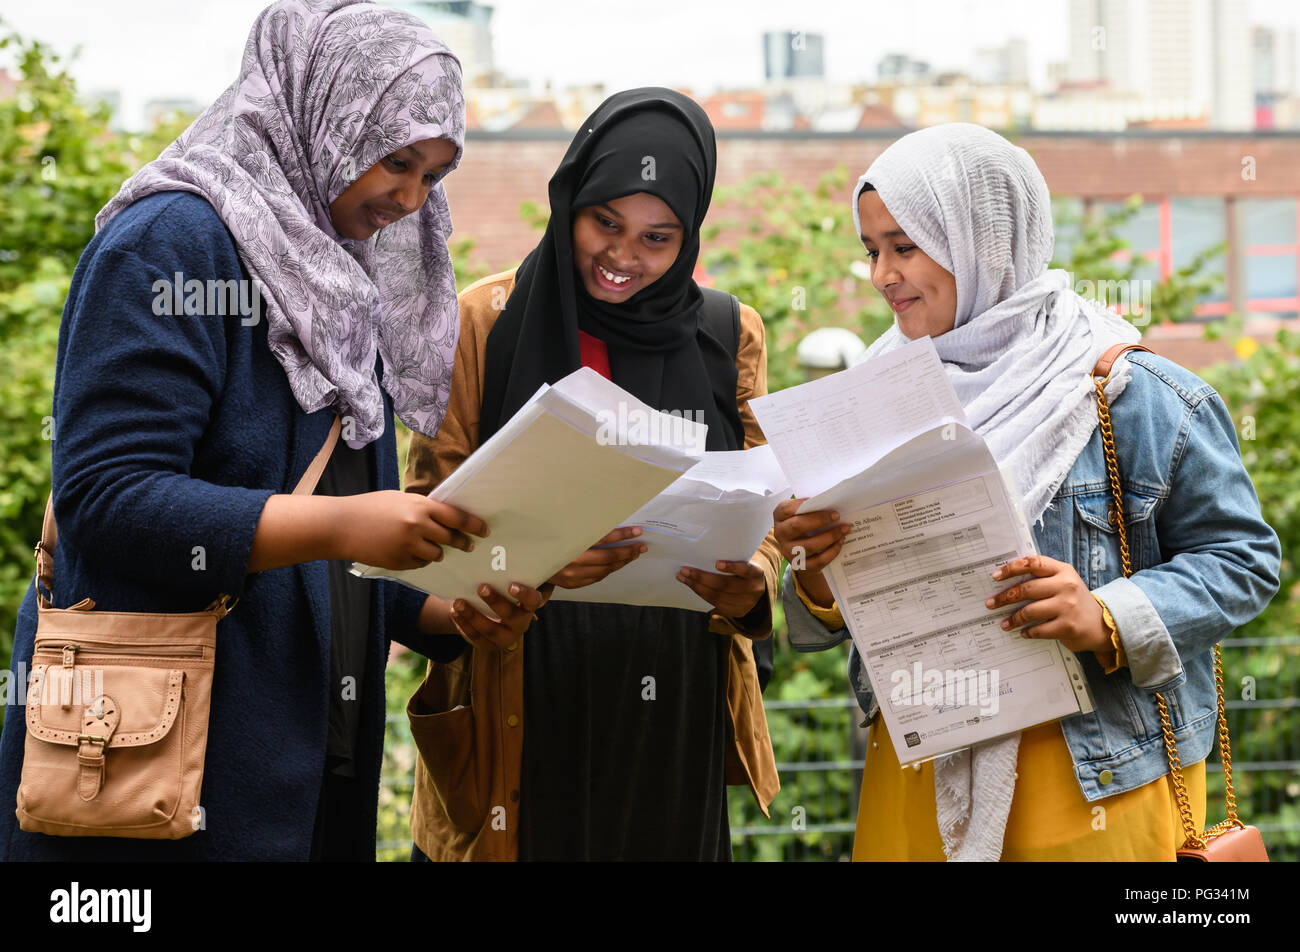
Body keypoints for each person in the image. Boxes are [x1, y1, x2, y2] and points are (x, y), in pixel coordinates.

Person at [0, 0, 545, 862]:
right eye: (394, 161)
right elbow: (107, 498)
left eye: (434, 177)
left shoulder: (338, 270)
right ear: (317, 109)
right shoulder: (173, 242)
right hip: (160, 776)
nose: (406, 201)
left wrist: (449, 611)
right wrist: (351, 524)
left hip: (307, 761)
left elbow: (328, 535)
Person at [774, 123, 1281, 861]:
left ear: (981, 238)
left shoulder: (1133, 394)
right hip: (919, 774)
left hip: (1098, 783)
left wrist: (1106, 614)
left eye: (905, 246)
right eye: (872, 249)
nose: (882, 274)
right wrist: (816, 573)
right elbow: (831, 621)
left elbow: (1244, 560)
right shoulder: (870, 404)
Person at [402, 88, 780, 861]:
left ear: (690, 235)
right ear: (569, 200)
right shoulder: (486, 319)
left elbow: (771, 502)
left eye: (657, 237)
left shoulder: (726, 331)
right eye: (604, 222)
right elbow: (422, 522)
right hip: (522, 678)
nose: (622, 256)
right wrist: (538, 557)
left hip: (674, 697)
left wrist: (756, 585)